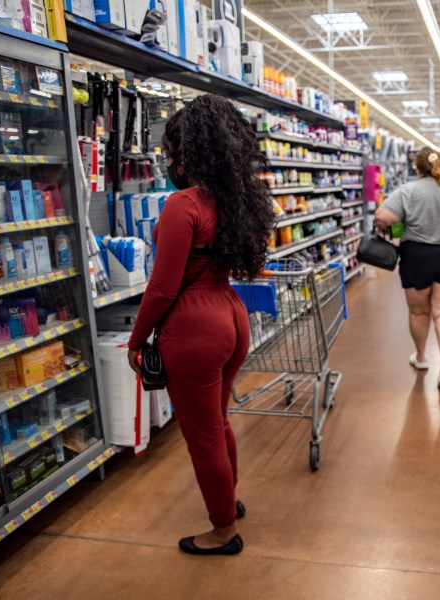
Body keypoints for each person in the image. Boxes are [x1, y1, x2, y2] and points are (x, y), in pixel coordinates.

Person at [126, 95, 274, 555]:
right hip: (231, 315)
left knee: (203, 435)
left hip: (194, 326)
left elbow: (163, 288)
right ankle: (227, 498)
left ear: (188, 153)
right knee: (219, 422)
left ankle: (223, 529)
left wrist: (137, 339)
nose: (168, 160)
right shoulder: (236, 199)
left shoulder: (182, 205)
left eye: (170, 151)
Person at [374, 147, 440, 389]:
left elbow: (381, 217)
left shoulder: (408, 191)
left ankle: (422, 358)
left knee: (419, 313)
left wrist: (399, 224)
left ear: (418, 168)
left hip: (416, 257)